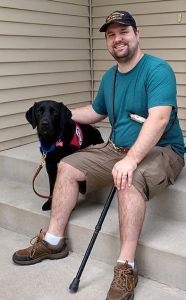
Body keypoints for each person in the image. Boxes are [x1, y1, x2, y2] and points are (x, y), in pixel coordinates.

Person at [13, 11, 185, 300]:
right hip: (116, 148)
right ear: (107, 41)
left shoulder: (158, 70)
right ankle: (54, 240)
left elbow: (157, 120)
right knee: (66, 165)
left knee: (128, 179)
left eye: (124, 32)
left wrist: (131, 160)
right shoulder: (110, 77)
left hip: (161, 150)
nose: (118, 39)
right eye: (111, 34)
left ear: (137, 34)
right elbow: (95, 112)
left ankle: (125, 266)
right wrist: (60, 115)